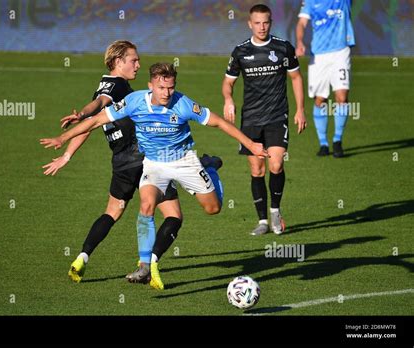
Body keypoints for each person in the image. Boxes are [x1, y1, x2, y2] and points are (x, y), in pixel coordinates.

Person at [40, 62, 268, 290]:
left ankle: (208, 167)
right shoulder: (135, 101)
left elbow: (218, 122)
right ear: (151, 86)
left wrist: (251, 145)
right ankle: (146, 266)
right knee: (146, 206)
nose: (167, 93)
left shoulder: (183, 104)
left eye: (170, 87)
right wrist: (63, 138)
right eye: (161, 88)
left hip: (183, 161)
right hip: (154, 164)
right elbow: (97, 120)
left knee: (213, 208)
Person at [41, 40, 183, 284]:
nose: (138, 65)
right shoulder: (116, 85)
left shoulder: (105, 84)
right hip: (144, 158)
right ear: (118, 62)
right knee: (173, 216)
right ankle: (148, 265)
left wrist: (67, 155)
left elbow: (91, 124)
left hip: (121, 163)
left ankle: (83, 256)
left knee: (112, 212)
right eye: (133, 60)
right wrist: (83, 113)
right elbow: (98, 105)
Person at [222, 4, 307, 236]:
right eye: (257, 23)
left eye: (266, 22)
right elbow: (228, 82)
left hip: (277, 115)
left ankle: (275, 212)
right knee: (257, 169)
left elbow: (296, 78)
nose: (262, 27)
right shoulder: (240, 52)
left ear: (271, 23)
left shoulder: (283, 48)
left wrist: (300, 109)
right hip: (250, 118)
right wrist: (228, 100)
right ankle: (261, 221)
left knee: (276, 164)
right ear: (250, 24)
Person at [296, 0, 355, 157]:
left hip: (341, 52)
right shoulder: (310, 2)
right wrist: (300, 41)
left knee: (342, 97)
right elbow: (301, 23)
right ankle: (323, 143)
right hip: (319, 55)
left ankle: (337, 141)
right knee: (320, 99)